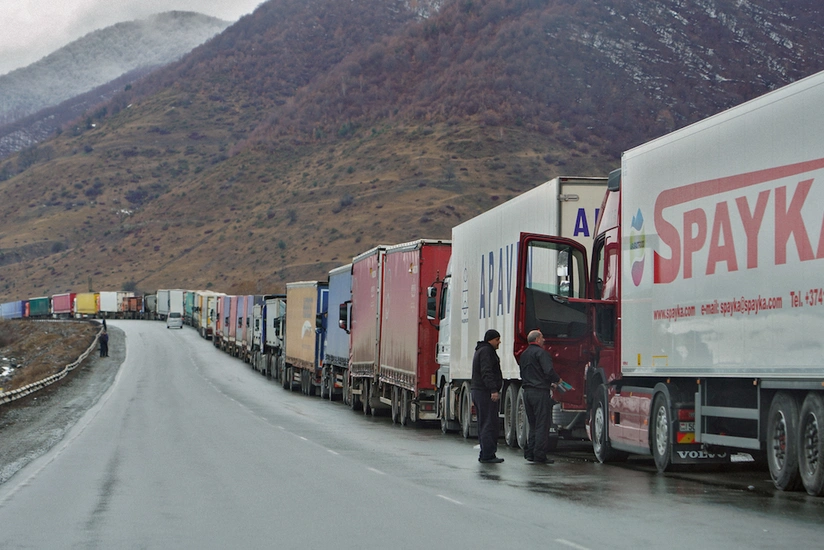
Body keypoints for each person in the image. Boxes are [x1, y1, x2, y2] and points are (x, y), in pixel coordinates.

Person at [518, 329, 560, 464]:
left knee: (533, 424)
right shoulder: (542, 354)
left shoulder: (524, 355)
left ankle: (530, 452)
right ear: (536, 339)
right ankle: (540, 455)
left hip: (527, 392)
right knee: (542, 424)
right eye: (542, 337)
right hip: (540, 393)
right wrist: (556, 380)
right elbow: (548, 371)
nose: (544, 340)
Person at [471, 329, 504, 463]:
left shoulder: (482, 350)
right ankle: (488, 455)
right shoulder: (486, 352)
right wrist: (493, 389)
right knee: (489, 423)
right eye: (497, 339)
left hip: (480, 391)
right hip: (484, 392)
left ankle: (486, 453)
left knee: (485, 422)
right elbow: (487, 371)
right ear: (491, 339)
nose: (499, 342)